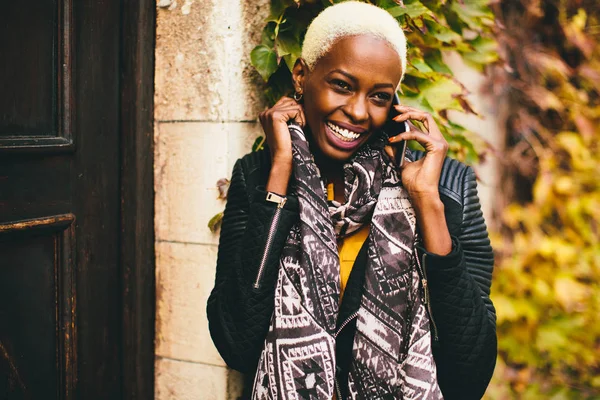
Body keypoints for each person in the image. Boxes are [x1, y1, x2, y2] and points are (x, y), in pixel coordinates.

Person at [207, 2, 497, 399]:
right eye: (341, 85)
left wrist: (427, 203)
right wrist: (278, 176)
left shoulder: (447, 186)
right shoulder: (257, 176)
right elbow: (235, 342)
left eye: (379, 96)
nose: (359, 112)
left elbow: (470, 374)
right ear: (301, 76)